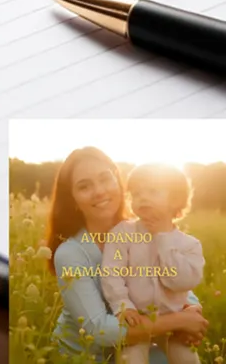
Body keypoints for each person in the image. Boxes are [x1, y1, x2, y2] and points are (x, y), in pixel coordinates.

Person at [46, 147, 208, 361]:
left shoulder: (145, 228)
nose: (99, 191)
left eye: (105, 179)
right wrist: (180, 320)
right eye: (84, 186)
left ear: (118, 181)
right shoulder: (70, 253)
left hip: (139, 340)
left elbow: (166, 277)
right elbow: (98, 330)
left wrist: (192, 307)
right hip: (86, 355)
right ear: (73, 199)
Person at [100, 163, 204, 364]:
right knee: (131, 359)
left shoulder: (189, 245)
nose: (143, 198)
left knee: (187, 359)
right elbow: (111, 273)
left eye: (153, 191)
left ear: (175, 200)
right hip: (137, 320)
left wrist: (163, 238)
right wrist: (123, 306)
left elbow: (182, 282)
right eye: (137, 193)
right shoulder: (122, 234)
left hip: (174, 324)